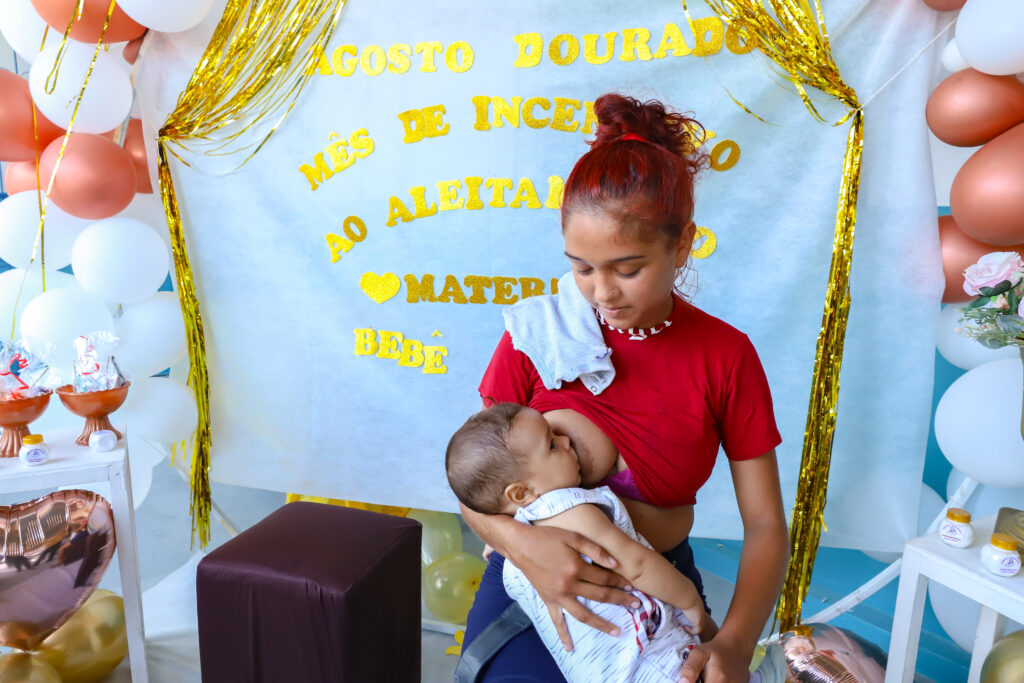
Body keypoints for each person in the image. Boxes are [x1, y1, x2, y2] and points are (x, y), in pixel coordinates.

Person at [458, 93, 789, 683]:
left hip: (655, 585)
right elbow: (479, 481)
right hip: (529, 576)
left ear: (682, 244)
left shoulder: (725, 356)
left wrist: (735, 644)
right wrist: (526, 549)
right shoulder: (542, 332)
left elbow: (765, 525)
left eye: (627, 268)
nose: (601, 293)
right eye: (581, 268)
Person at [447, 402, 706, 682]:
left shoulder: (518, 542)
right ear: (521, 493)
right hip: (648, 661)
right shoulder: (572, 509)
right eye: (552, 445)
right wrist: (690, 600)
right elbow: (638, 565)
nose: (565, 439)